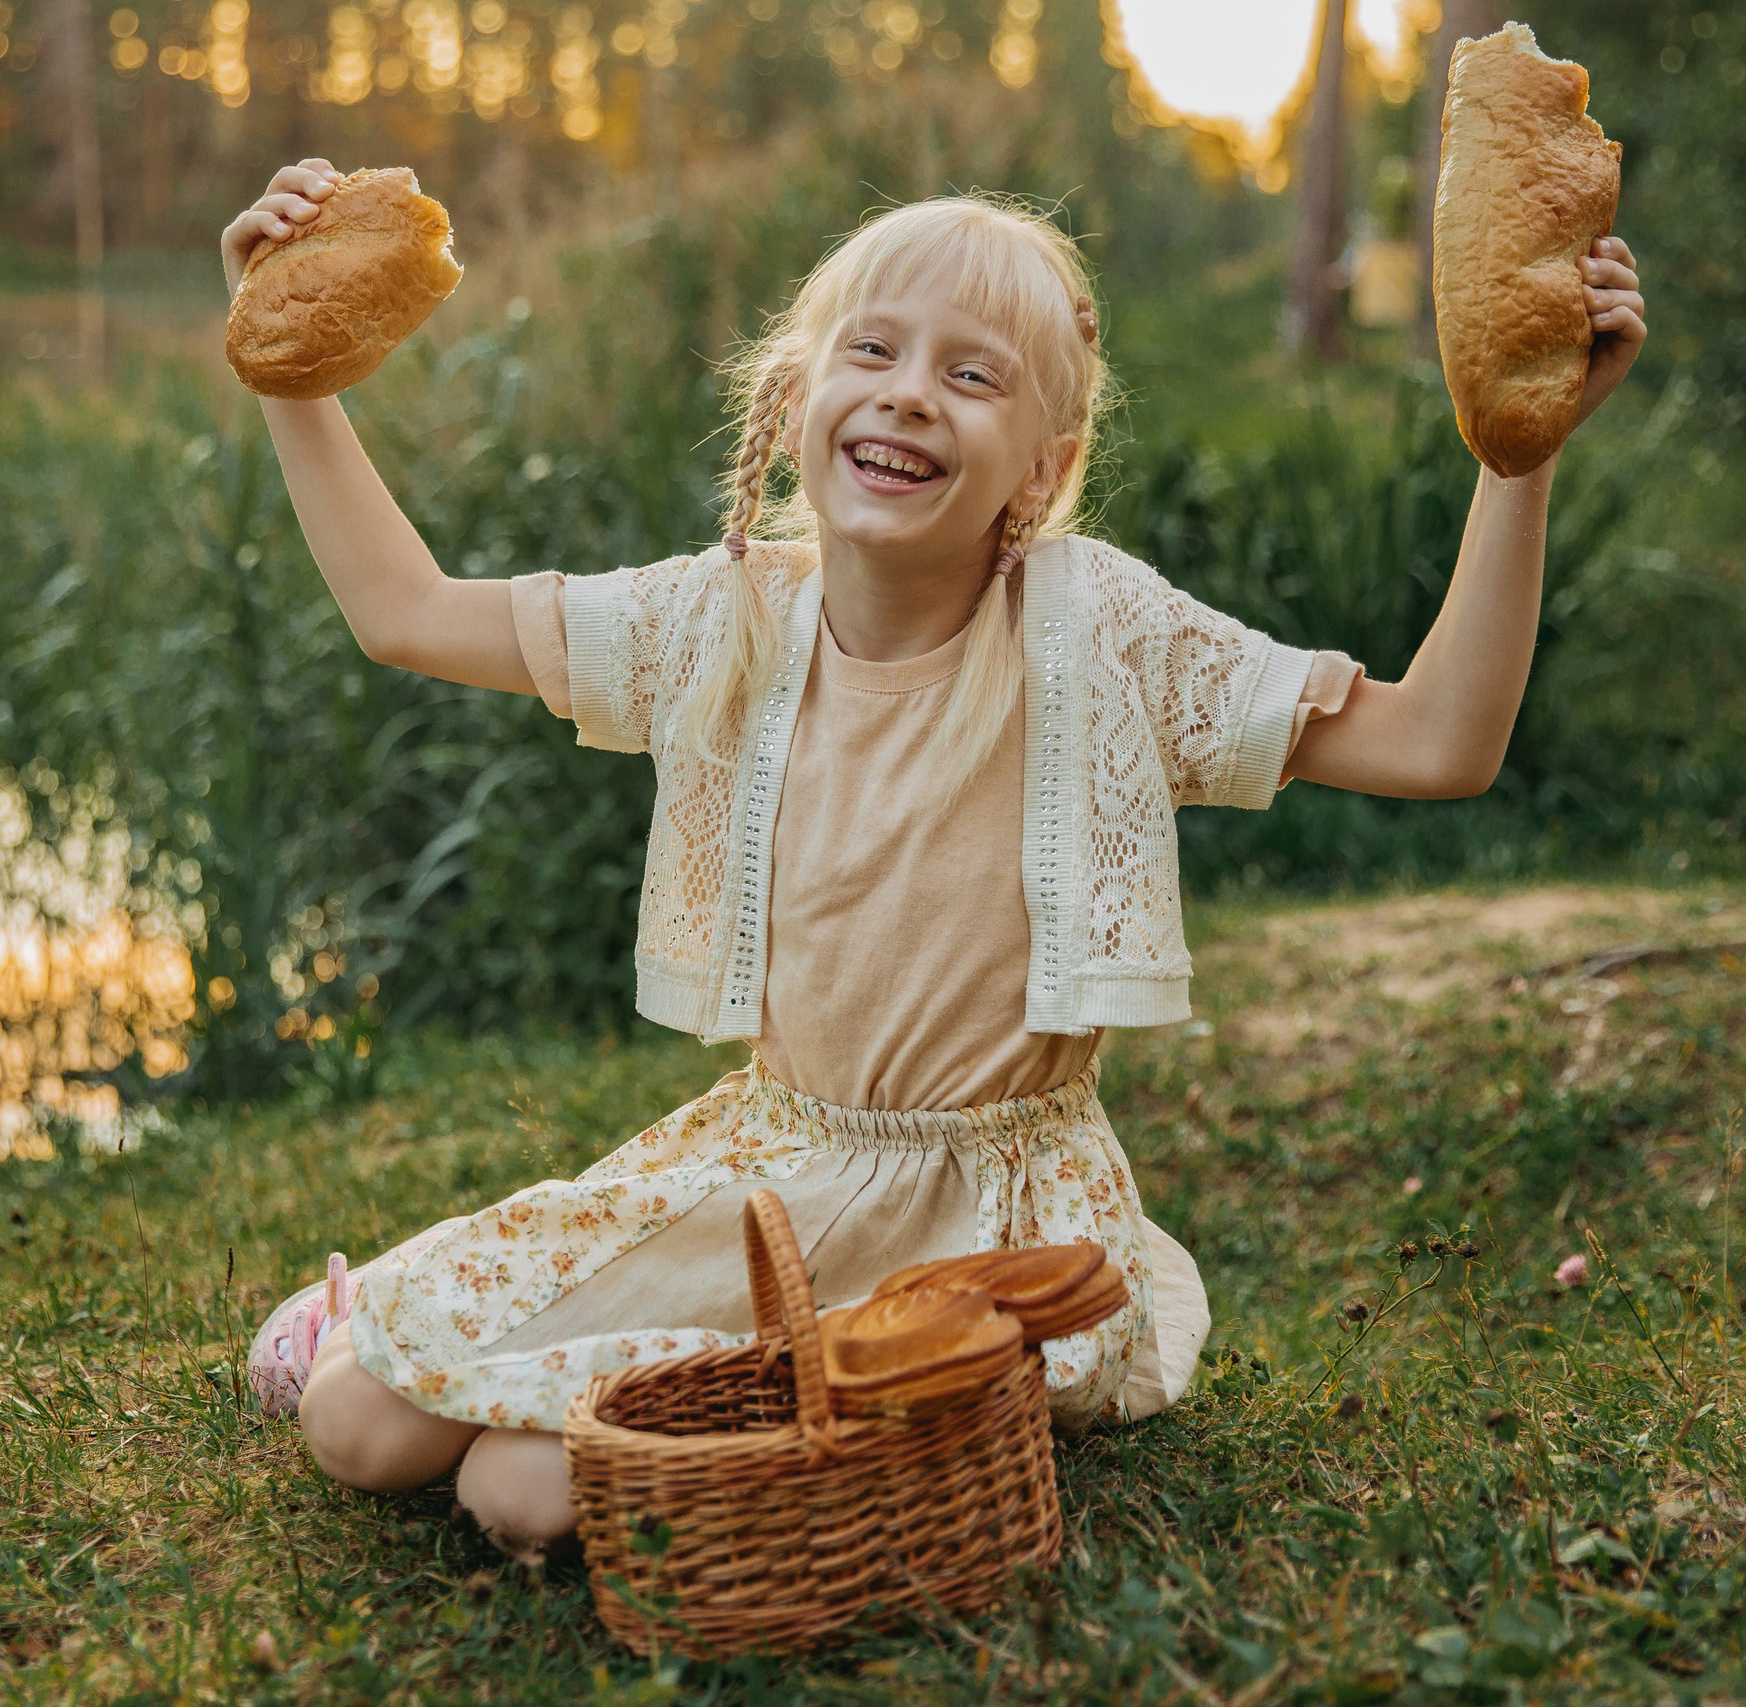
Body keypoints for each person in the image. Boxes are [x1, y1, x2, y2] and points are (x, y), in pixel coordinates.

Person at [223, 160, 1647, 1553]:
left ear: (1046, 464)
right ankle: (415, 1332)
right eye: (877, 351)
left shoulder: (1100, 638)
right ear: (796, 402)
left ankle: (796, 1444)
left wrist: (1517, 456)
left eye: (975, 375)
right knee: (355, 1427)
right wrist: (290, 368)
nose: (911, 391)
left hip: (987, 1225)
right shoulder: (718, 625)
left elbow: (1440, 742)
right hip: (772, 1172)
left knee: (519, 1496)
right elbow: (403, 611)